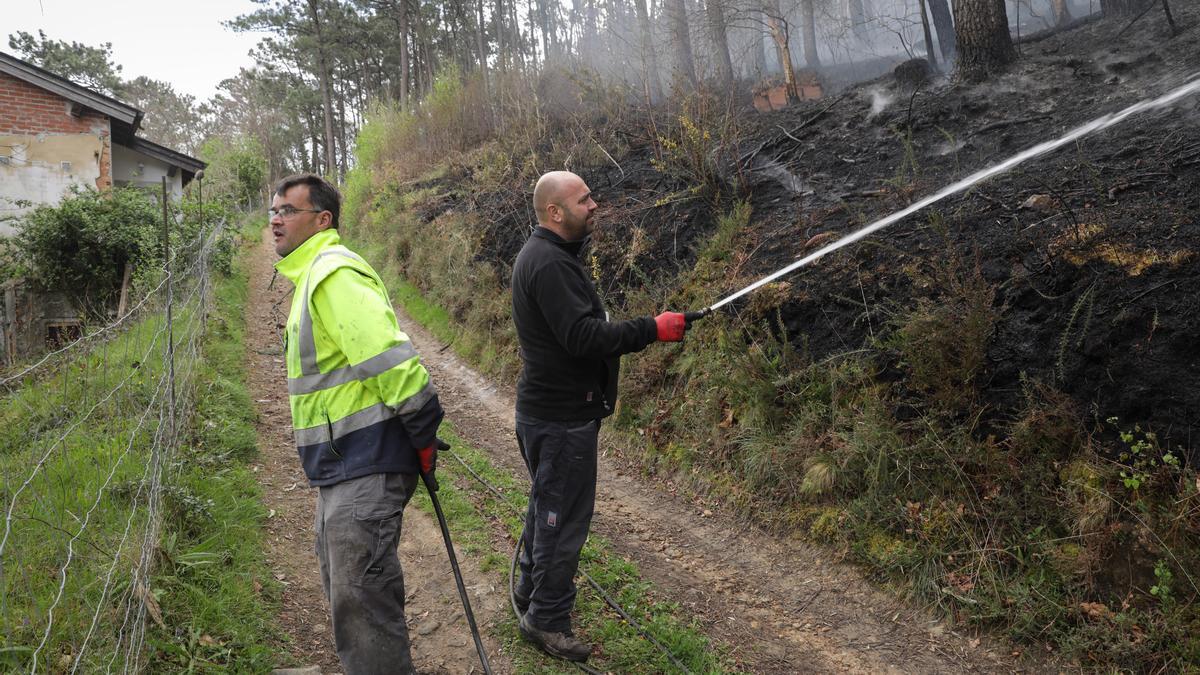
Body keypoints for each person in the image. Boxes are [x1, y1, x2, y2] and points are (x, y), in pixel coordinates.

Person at [510, 170, 690, 661]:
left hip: (551, 414)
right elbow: (584, 337)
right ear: (554, 212)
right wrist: (652, 328)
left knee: (548, 508)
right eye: (583, 199)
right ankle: (546, 619)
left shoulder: (552, 256)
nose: (594, 205)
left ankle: (529, 592)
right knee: (561, 520)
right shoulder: (548, 264)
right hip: (560, 419)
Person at [270, 173, 443, 674]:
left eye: (287, 211)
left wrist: (423, 432)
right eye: (273, 212)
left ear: (323, 220)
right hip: (341, 467)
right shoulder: (311, 277)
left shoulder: (332, 274)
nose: (276, 220)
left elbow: (393, 364)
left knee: (363, 606)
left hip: (364, 464)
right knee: (348, 598)